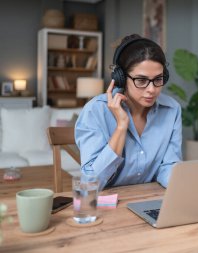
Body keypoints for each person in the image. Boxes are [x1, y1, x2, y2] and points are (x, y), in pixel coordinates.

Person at [75, 34, 182, 190]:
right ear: (121, 78)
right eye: (141, 80)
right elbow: (90, 184)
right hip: (106, 206)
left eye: (158, 79)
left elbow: (168, 166)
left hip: (149, 200)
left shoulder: (172, 110)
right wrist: (121, 127)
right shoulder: (95, 111)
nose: (152, 89)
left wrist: (183, 187)